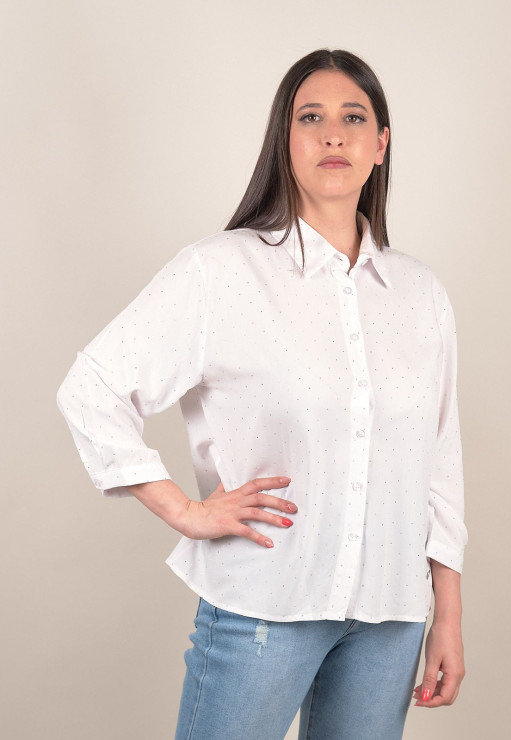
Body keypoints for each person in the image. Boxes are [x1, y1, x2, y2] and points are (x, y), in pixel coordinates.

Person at [57, 48, 468, 740]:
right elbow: (91, 386)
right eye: (311, 118)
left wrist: (446, 617)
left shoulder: (421, 295)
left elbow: (440, 463)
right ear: (285, 139)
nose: (333, 135)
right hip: (262, 612)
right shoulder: (221, 272)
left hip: (391, 620)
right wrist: (184, 509)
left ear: (380, 144)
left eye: (353, 118)